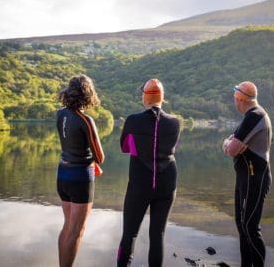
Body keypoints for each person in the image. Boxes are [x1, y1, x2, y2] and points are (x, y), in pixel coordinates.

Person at [117, 79, 181, 267]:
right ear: (162, 98)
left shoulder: (133, 120)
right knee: (157, 234)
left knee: (129, 234)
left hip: (140, 182)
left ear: (145, 98)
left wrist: (141, 145)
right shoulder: (175, 122)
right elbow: (170, 147)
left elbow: (124, 147)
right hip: (167, 181)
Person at [56, 74, 105, 267]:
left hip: (62, 174)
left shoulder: (60, 114)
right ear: (88, 94)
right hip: (80, 179)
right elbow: (100, 157)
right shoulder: (86, 121)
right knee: (77, 231)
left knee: (67, 227)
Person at [222, 81, 272, 267]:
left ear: (240, 99)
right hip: (245, 178)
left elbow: (231, 149)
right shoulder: (250, 116)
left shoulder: (255, 116)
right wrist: (230, 143)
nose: (234, 102)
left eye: (235, 99)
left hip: (254, 179)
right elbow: (232, 145)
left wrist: (229, 143)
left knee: (250, 227)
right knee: (242, 226)